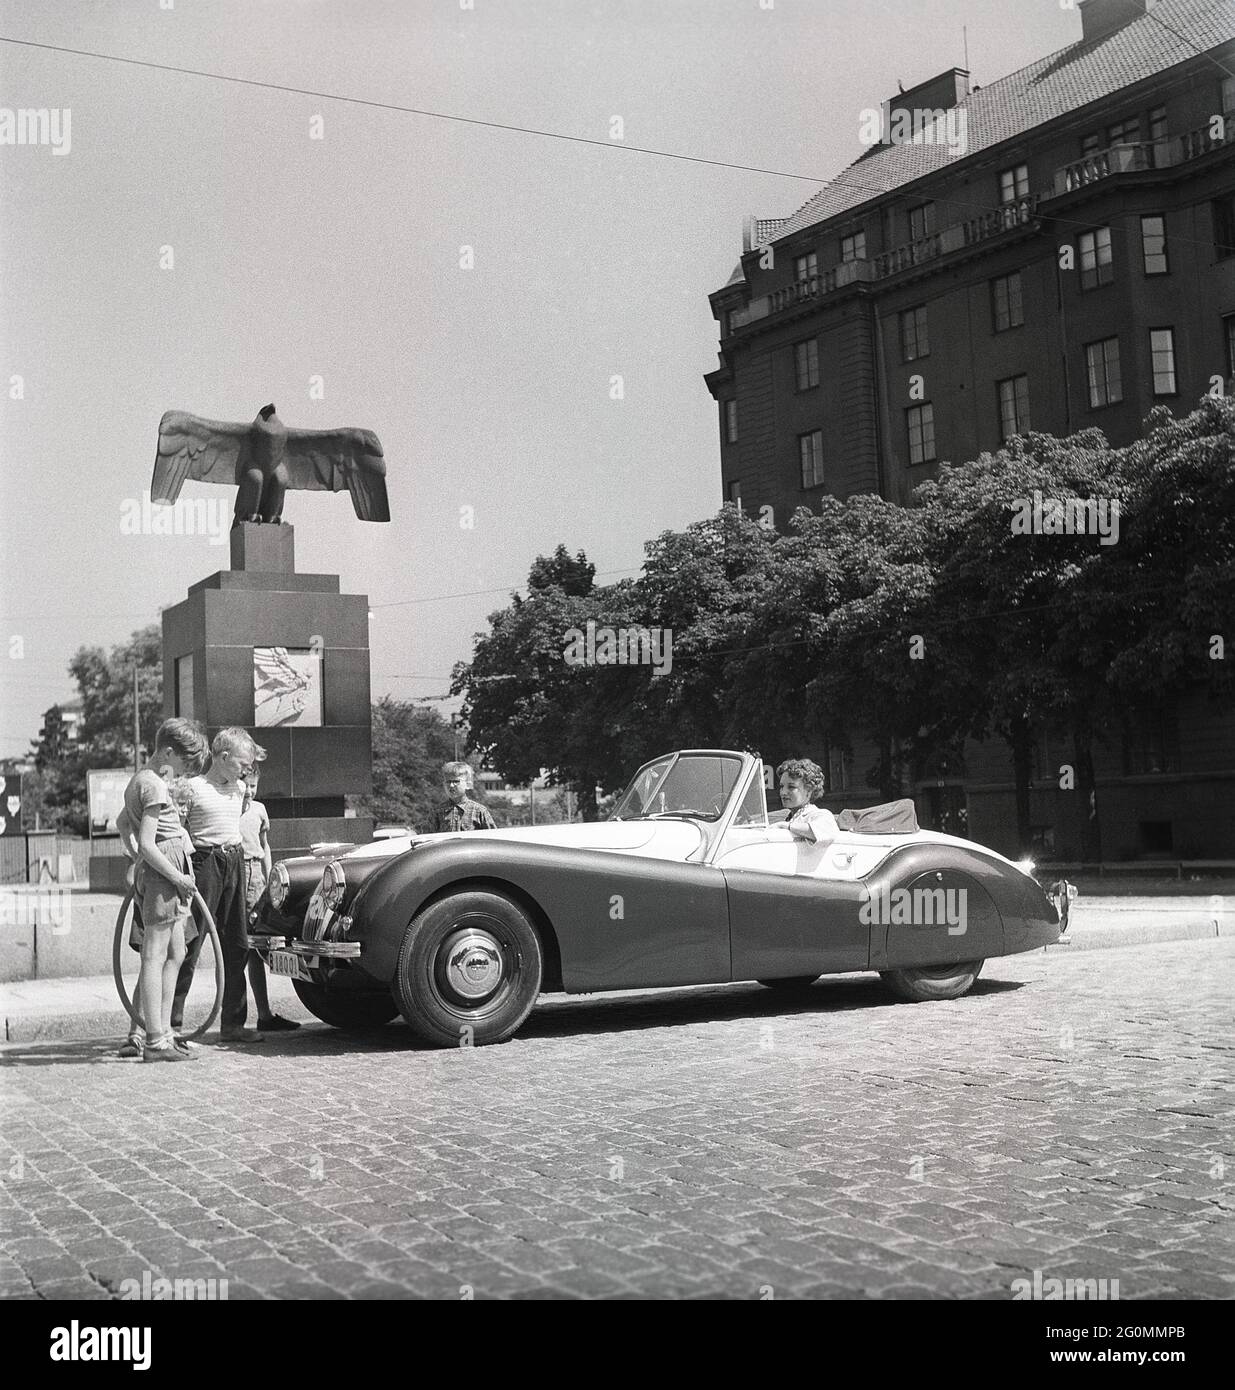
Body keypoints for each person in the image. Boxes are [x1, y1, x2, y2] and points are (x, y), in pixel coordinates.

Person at [118, 718, 210, 1061]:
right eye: (184, 764)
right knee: (154, 955)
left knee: (176, 953)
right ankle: (155, 1039)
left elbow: (123, 824)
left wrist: (136, 860)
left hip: (161, 870)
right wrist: (177, 876)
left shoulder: (139, 780)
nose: (184, 772)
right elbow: (147, 841)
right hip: (166, 873)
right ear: (168, 752)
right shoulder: (154, 785)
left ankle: (164, 1033)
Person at [171, 727, 267, 1044]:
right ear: (223, 757)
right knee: (190, 943)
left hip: (234, 861)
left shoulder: (240, 789)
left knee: (236, 943)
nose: (247, 771)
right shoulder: (193, 788)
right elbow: (177, 828)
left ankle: (233, 1023)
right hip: (204, 863)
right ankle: (171, 1023)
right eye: (242, 763)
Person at [240, 766, 299, 1032]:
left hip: (257, 879)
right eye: (245, 784)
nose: (249, 791)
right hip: (234, 873)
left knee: (256, 948)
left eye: (253, 785)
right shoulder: (229, 808)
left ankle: (264, 1015)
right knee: (237, 950)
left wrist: (269, 882)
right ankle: (234, 1017)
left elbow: (264, 846)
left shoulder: (259, 810)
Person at [777, 758, 839, 844]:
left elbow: (825, 831)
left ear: (809, 790)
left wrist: (786, 826)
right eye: (781, 786)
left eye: (791, 787)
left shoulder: (820, 815)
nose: (783, 792)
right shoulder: (788, 817)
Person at [431, 761, 496, 832]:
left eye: (456, 781)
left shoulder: (479, 811)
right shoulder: (437, 812)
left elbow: (493, 838)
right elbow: (428, 839)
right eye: (448, 781)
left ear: (468, 784)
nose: (451, 785)